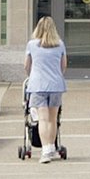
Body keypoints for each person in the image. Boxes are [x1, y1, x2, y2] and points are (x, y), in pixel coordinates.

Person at [24, 15, 67, 164]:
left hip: (38, 84)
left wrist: (32, 75)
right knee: (53, 119)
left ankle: (45, 150)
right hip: (56, 85)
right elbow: (63, 66)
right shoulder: (60, 44)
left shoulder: (32, 45)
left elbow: (27, 66)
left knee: (42, 118)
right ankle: (51, 147)